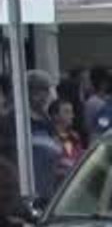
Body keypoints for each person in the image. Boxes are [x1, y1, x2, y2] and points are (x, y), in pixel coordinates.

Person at [25, 71, 64, 201]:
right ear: (33, 92)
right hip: (33, 183)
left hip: (49, 181)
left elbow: (56, 142)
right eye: (45, 91)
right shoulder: (22, 119)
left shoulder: (46, 118)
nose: (48, 96)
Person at [48, 97, 85, 186]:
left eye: (71, 112)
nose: (72, 116)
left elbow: (78, 158)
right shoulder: (49, 138)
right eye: (67, 112)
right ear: (55, 116)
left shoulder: (74, 137)